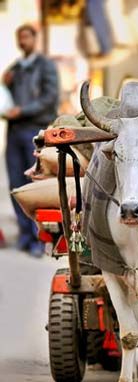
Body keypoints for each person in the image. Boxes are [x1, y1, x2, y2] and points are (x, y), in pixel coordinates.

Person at [2, 24, 59, 257]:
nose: (22, 41)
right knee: (16, 184)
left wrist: (22, 110)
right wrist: (5, 83)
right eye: (19, 37)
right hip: (14, 132)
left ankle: (39, 239)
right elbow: (5, 98)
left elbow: (49, 98)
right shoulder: (15, 68)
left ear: (35, 39)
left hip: (34, 131)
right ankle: (25, 235)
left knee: (36, 185)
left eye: (26, 37)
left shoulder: (45, 66)